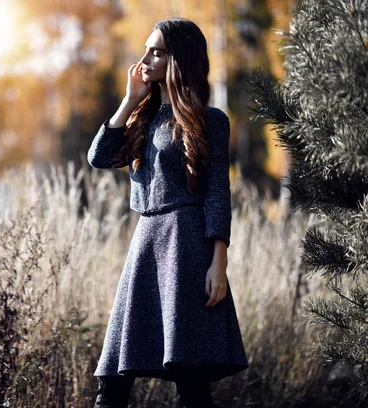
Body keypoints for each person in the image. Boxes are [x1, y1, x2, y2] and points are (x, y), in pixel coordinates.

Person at [87, 18, 250, 408]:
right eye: (146, 49)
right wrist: (129, 100)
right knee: (112, 380)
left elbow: (216, 192)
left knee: (190, 379)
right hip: (145, 245)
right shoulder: (142, 116)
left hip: (186, 246)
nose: (144, 59)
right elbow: (99, 157)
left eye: (156, 51)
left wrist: (219, 261)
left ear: (178, 59)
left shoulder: (211, 120)